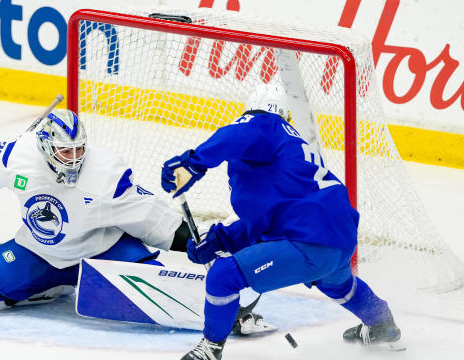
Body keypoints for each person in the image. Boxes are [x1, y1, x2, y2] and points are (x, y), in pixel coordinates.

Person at [0, 107, 269, 336]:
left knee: (153, 289)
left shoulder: (105, 174)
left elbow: (148, 215)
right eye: (65, 151)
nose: (74, 158)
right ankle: (53, 285)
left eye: (79, 150)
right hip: (41, 251)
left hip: (104, 250)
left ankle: (224, 309)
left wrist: (194, 243)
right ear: (45, 148)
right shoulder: (16, 157)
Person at [161, 84, 405, 360]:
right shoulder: (290, 148)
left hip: (309, 240)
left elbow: (242, 131)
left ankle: (209, 351)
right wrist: (221, 238)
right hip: (338, 238)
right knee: (338, 285)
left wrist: (193, 163)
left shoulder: (265, 125)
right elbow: (271, 217)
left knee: (223, 276)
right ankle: (382, 325)